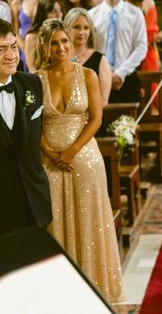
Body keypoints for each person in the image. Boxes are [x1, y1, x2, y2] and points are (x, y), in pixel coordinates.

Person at [35, 19, 123, 301]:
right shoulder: (35, 79)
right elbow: (31, 122)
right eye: (54, 43)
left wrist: (71, 151)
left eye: (64, 41)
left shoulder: (87, 75)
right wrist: (49, 152)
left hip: (84, 159)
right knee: (56, 223)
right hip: (49, 162)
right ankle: (61, 294)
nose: (61, 47)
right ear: (44, 47)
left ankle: (95, 287)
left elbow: (96, 118)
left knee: (89, 222)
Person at [0, 19, 52, 237]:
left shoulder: (32, 84)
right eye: (1, 49)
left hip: (33, 199)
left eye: (13, 46)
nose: (11, 55)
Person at [89, 0, 147, 103]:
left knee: (128, 123)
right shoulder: (92, 16)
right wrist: (106, 75)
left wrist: (120, 73)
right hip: (99, 78)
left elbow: (141, 46)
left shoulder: (135, 13)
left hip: (127, 76)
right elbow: (89, 48)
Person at [64, 8, 111, 105]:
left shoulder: (100, 59)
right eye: (76, 27)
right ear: (67, 29)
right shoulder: (59, 56)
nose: (81, 32)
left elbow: (103, 101)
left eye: (86, 28)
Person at [24, 0, 63, 72]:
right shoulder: (32, 37)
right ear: (43, 13)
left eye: (60, 10)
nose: (59, 15)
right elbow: (31, 67)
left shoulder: (63, 34)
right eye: (53, 11)